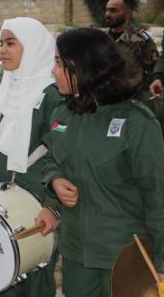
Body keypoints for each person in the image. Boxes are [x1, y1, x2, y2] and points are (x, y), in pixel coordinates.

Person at [43, 27, 164, 296]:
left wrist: (161, 261)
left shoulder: (137, 123)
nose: (53, 70)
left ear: (84, 66)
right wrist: (55, 182)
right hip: (76, 255)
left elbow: (157, 195)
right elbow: (53, 158)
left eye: (59, 63)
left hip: (123, 256)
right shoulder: (63, 114)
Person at [0, 17, 61, 297]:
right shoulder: (4, 90)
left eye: (11, 43)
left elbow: (62, 155)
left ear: (32, 47)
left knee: (34, 270)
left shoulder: (51, 96)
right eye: (1, 43)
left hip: (34, 197)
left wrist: (52, 206)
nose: (3, 50)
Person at [105, 0, 158, 94]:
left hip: (132, 96)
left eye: (113, 10)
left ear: (128, 13)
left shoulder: (142, 39)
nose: (107, 14)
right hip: (106, 96)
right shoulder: (101, 38)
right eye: (107, 10)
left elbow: (153, 65)